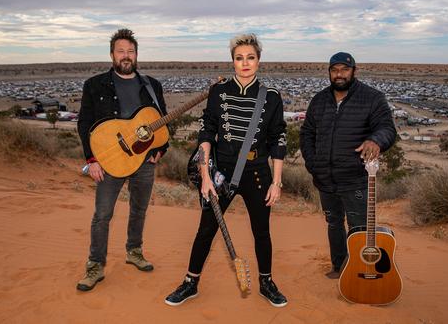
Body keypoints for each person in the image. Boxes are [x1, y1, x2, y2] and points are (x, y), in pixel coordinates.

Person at [164, 34, 288, 307]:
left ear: (258, 60)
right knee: (206, 229)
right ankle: (190, 282)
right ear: (232, 61)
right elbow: (206, 132)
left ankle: (266, 282)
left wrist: (276, 181)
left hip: (257, 173)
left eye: (250, 57)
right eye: (239, 58)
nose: (245, 63)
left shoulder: (271, 97)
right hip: (221, 171)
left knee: (261, 232)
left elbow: (278, 139)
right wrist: (206, 176)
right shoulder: (218, 92)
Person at [75, 28, 168, 291]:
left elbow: (160, 122)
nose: (126, 56)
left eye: (130, 51)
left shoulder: (151, 86)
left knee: (139, 210)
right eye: (121, 51)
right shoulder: (95, 85)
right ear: (112, 55)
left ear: (136, 54)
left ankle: (134, 252)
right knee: (102, 215)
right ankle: (95, 267)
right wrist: (92, 159)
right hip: (109, 161)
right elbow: (84, 124)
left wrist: (161, 149)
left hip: (143, 161)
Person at [299, 52, 396, 279]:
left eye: (344, 69)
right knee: (333, 223)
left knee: (359, 228)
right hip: (325, 178)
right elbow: (307, 134)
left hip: (355, 179)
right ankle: (339, 266)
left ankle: (361, 270)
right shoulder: (320, 100)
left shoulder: (372, 98)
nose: (339, 74)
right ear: (329, 73)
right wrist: (313, 164)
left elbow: (387, 129)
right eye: (335, 70)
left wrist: (376, 140)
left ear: (354, 71)